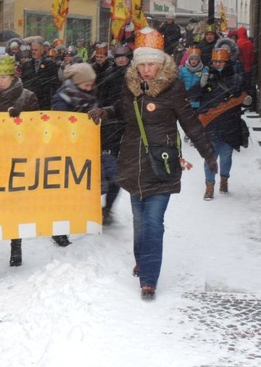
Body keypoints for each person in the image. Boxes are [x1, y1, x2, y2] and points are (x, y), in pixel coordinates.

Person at [87, 27, 217, 300]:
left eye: (152, 64)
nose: (146, 70)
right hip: (133, 163)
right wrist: (104, 112)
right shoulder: (129, 85)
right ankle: (142, 259)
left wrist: (208, 152)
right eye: (142, 64)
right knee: (138, 221)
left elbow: (190, 122)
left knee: (153, 223)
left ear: (161, 64)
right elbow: (121, 112)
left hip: (162, 164)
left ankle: (149, 278)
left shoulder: (172, 87)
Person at [0, 55, 39, 288]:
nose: (0, 81)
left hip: (17, 163)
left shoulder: (28, 98)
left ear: (13, 76)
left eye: (4, 76)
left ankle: (16, 244)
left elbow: (38, 132)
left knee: (13, 209)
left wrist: (20, 122)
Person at [51, 63, 99, 245]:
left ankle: (74, 220)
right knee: (62, 191)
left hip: (82, 147)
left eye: (90, 85)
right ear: (76, 83)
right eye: (85, 85)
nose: (89, 88)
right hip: (63, 148)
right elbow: (59, 120)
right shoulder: (62, 97)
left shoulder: (90, 97)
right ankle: (58, 230)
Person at [194, 47, 246, 200]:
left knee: (226, 157)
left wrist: (244, 98)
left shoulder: (236, 78)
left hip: (229, 125)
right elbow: (192, 96)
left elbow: (243, 97)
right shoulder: (207, 77)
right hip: (210, 125)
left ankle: (224, 179)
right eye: (215, 61)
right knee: (210, 157)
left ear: (227, 62)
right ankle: (209, 186)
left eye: (220, 61)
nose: (217, 64)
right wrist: (200, 86)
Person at [96, 45, 132, 225]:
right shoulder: (109, 72)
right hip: (106, 124)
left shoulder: (133, 75)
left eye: (123, 57)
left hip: (123, 125)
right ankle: (99, 206)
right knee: (101, 168)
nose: (120, 60)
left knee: (116, 171)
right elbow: (101, 94)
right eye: (117, 57)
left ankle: (108, 207)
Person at [20, 42, 60, 110]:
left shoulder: (50, 63)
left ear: (42, 51)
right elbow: (23, 82)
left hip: (44, 99)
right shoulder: (26, 64)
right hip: (30, 99)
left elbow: (55, 83)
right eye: (32, 50)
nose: (33, 52)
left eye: (36, 50)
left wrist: (54, 101)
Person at [235, 27, 255, 106]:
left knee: (241, 85)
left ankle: (242, 101)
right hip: (248, 67)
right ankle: (249, 102)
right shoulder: (249, 43)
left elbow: (237, 56)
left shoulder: (238, 42)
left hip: (241, 67)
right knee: (248, 85)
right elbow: (252, 56)